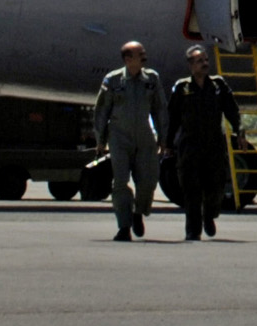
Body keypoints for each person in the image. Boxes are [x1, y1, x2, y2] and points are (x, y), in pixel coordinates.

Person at [163, 43, 246, 244]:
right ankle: (193, 230)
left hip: (214, 146)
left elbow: (232, 111)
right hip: (189, 146)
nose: (205, 64)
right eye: (200, 61)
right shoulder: (182, 88)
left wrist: (239, 132)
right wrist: (167, 144)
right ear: (191, 65)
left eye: (206, 60)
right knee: (191, 191)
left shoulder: (218, 86)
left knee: (215, 187)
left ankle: (209, 215)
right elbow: (172, 118)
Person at [95, 40, 164, 242]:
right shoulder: (113, 80)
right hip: (119, 137)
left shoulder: (152, 79)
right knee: (120, 182)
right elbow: (101, 111)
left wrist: (163, 137)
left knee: (149, 180)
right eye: (139, 53)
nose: (144, 56)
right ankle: (124, 226)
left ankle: (138, 212)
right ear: (127, 59)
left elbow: (160, 109)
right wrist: (100, 139)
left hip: (144, 136)